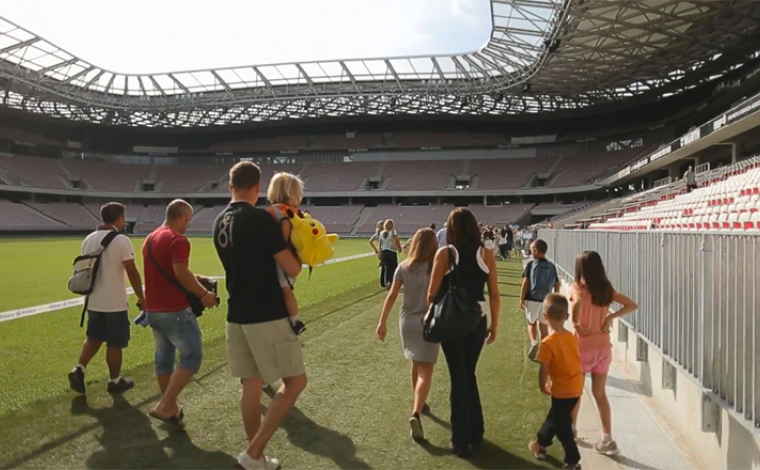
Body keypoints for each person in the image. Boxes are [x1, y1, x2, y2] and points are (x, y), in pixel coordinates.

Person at [213, 161, 306, 470]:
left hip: (236, 312)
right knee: (295, 382)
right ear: (257, 186)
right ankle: (254, 454)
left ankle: (259, 458)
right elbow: (291, 268)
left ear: (230, 186)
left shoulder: (218, 221)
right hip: (266, 313)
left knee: (250, 386)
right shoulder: (259, 219)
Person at [427, 208, 500, 458]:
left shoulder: (445, 254)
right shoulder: (486, 253)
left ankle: (461, 440)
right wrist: (495, 325)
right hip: (477, 320)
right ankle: (476, 433)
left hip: (452, 323)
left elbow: (431, 294)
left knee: (459, 378)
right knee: (468, 374)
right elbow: (495, 294)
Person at [142, 199, 218, 426]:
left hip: (153, 309)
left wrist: (195, 278)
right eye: (188, 220)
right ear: (182, 217)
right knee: (192, 356)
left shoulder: (150, 238)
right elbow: (180, 271)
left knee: (163, 360)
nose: (188, 225)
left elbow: (169, 271)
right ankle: (165, 405)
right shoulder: (178, 239)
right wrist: (204, 294)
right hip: (174, 309)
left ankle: (171, 410)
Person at [68, 202, 145, 395]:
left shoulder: (89, 239)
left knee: (93, 338)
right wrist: (141, 297)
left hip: (93, 300)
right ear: (119, 218)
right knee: (115, 343)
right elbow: (132, 271)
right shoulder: (121, 241)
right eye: (123, 217)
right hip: (114, 302)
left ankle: (79, 369)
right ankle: (114, 380)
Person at [570, 251, 638, 455]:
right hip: (602, 350)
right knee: (600, 394)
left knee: (576, 392)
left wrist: (574, 321)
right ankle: (607, 439)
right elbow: (632, 305)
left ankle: (572, 430)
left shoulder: (577, 288)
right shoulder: (606, 290)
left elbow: (576, 302)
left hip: (581, 348)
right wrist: (610, 318)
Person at [376, 228, 440, 440]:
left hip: (407, 321)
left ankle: (418, 401)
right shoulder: (436, 268)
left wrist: (382, 321)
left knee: (414, 362)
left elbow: (392, 296)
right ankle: (416, 411)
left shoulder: (403, 267)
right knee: (426, 371)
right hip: (428, 321)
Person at [529, 294, 583, 470]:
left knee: (562, 427)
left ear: (545, 317)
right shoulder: (571, 337)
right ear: (566, 317)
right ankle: (541, 443)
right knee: (555, 418)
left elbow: (544, 368)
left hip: (561, 390)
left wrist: (542, 385)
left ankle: (573, 459)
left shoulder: (547, 343)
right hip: (576, 388)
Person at [267, 172, 306, 335]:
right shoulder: (293, 211)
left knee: (285, 289)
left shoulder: (277, 212)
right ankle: (294, 318)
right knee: (287, 288)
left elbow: (282, 236)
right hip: (293, 257)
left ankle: (295, 320)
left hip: (282, 258)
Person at [520, 239, 560, 360]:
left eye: (532, 250)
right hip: (546, 299)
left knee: (531, 323)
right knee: (543, 326)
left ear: (536, 251)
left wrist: (521, 298)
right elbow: (557, 284)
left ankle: (533, 342)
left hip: (532, 298)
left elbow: (525, 282)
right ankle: (545, 350)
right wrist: (555, 298)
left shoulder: (531, 264)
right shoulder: (551, 266)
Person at [379, 220, 401, 289]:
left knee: (387, 269)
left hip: (384, 252)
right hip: (391, 252)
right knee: (394, 268)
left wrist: (380, 253)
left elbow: (380, 244)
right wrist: (399, 248)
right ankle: (391, 282)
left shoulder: (381, 233)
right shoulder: (393, 232)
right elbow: (397, 240)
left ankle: (386, 282)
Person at [368, 221, 387, 287]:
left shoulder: (378, 234)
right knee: (387, 267)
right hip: (384, 251)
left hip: (380, 251)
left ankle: (383, 282)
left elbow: (370, 241)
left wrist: (376, 250)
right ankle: (385, 282)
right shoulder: (384, 233)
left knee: (383, 267)